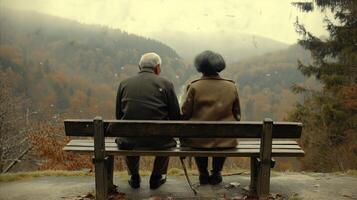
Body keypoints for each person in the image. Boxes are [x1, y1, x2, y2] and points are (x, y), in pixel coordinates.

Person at [113, 52, 180, 189]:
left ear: (139, 66)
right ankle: (157, 176)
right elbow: (175, 118)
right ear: (158, 67)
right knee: (166, 138)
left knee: (128, 133)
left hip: (129, 140)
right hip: (159, 141)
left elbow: (119, 116)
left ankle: (134, 176)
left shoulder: (124, 84)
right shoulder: (166, 84)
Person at [181, 50, 241, 185]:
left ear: (200, 67)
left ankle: (203, 173)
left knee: (199, 136)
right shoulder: (231, 86)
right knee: (223, 136)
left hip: (199, 139)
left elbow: (185, 113)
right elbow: (237, 115)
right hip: (225, 139)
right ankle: (216, 172)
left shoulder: (194, 87)